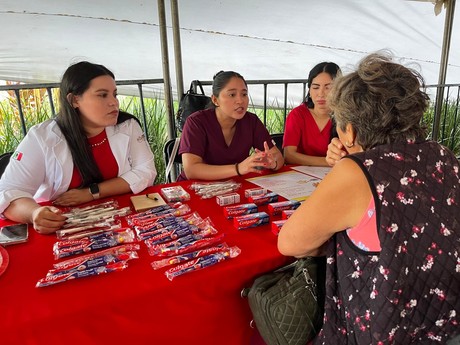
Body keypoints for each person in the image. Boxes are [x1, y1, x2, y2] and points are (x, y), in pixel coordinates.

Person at [278, 53, 460, 343]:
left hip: (386, 326)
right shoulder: (444, 155)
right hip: (446, 316)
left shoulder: (356, 172)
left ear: (349, 131)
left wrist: (352, 164)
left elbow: (290, 243)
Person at [0, 61, 157, 234]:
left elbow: (146, 171)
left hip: (119, 221)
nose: (114, 102)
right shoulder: (42, 137)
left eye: (115, 94)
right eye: (102, 95)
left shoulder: (127, 125)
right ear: (74, 100)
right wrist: (34, 213)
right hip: (62, 226)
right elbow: (8, 192)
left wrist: (92, 193)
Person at [178, 70, 284, 180]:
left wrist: (272, 163)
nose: (240, 100)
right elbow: (191, 170)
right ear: (215, 100)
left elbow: (278, 157)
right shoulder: (196, 122)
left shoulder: (251, 121)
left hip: (234, 187)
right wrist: (238, 169)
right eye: (232, 95)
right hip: (196, 188)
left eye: (244, 94)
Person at [283, 62, 341, 166]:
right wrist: (328, 162)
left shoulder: (346, 117)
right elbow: (289, 155)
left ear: (339, 89)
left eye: (328, 87)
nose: (321, 93)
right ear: (309, 90)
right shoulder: (298, 115)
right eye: (315, 87)